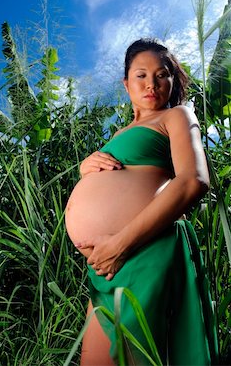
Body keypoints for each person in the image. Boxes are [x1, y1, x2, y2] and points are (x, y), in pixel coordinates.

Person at [65, 38, 218, 365]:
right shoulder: (119, 134)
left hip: (142, 248)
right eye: (141, 75)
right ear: (126, 83)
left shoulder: (175, 116)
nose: (152, 83)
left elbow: (193, 180)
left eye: (162, 75)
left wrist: (120, 244)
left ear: (173, 80)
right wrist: (86, 168)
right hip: (104, 266)